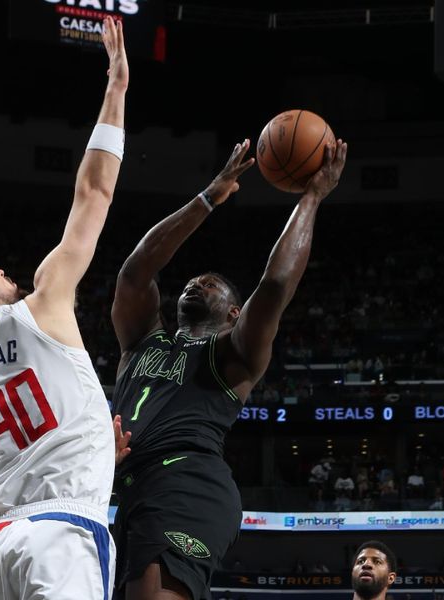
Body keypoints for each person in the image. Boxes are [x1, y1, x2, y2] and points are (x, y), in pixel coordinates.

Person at [0, 17, 128, 599]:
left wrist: (88, 447)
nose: (3, 270)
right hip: (62, 531)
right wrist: (116, 87)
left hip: (0, 541)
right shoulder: (43, 301)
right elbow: (95, 193)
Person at [110, 138, 348, 599]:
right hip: (135, 491)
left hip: (187, 483)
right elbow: (135, 273)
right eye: (197, 279)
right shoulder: (142, 339)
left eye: (215, 284)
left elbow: (276, 284)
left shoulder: (231, 354)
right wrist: (207, 198)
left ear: (236, 315)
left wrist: (312, 197)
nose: (199, 279)